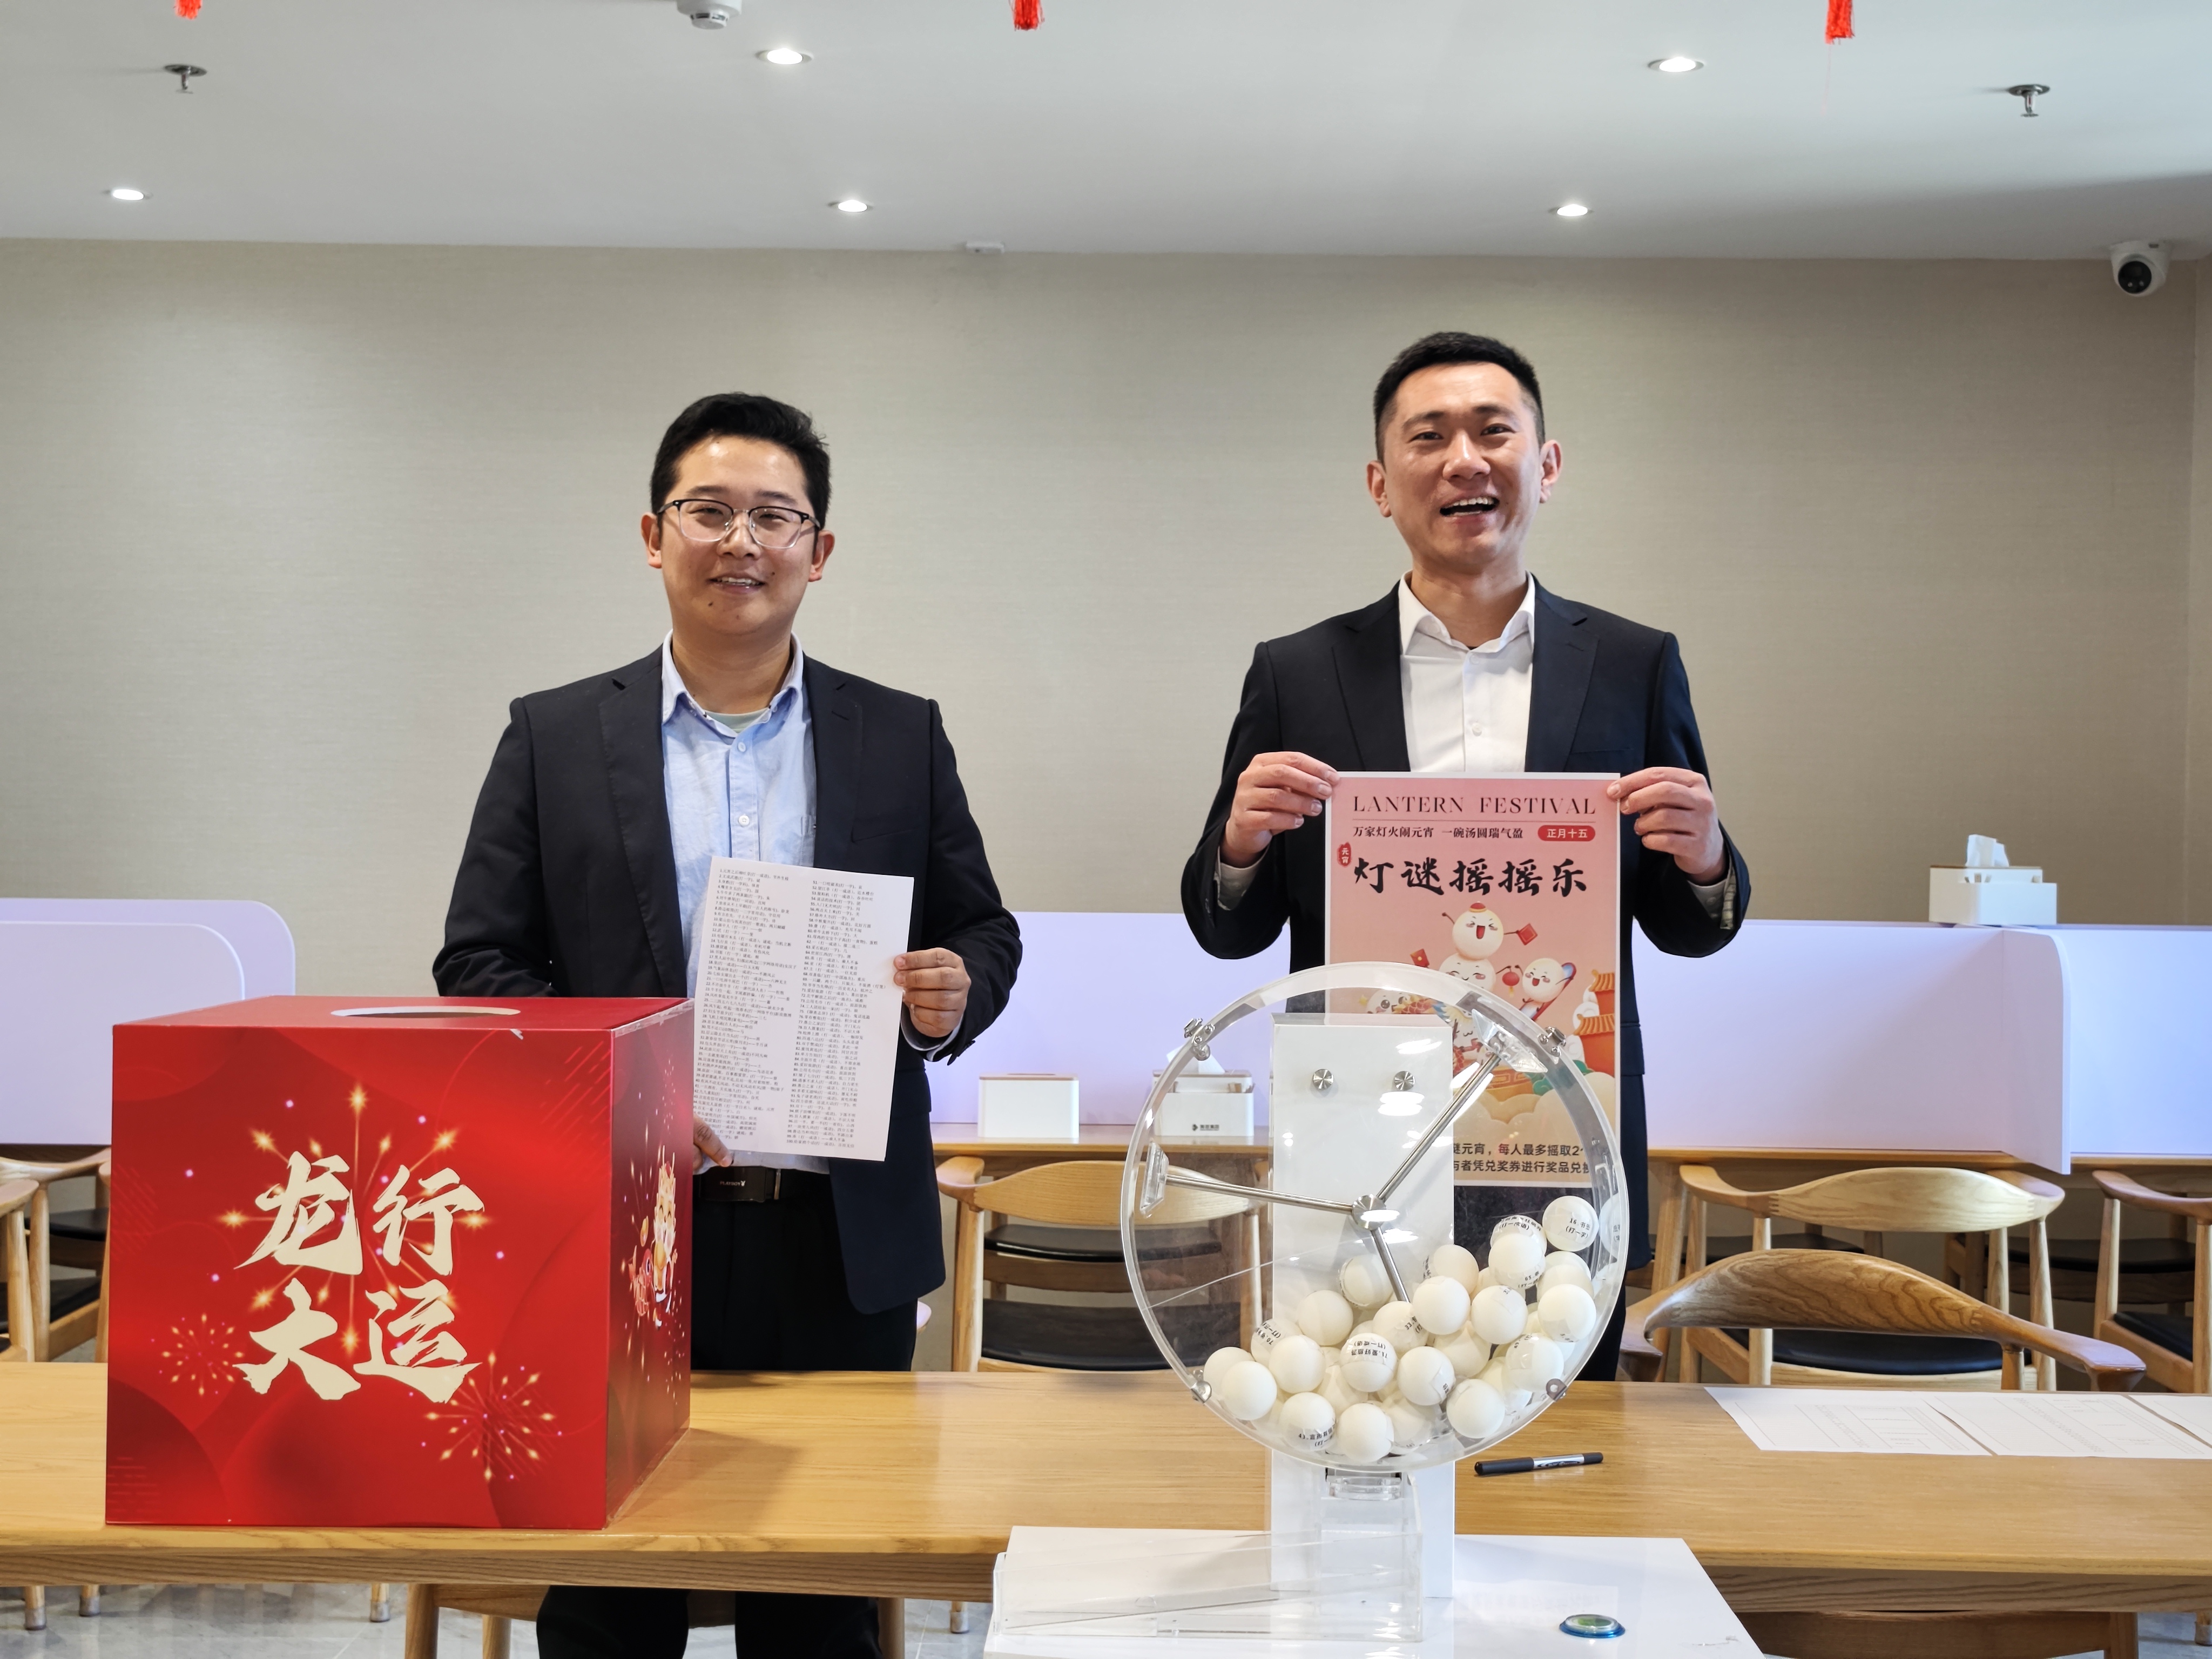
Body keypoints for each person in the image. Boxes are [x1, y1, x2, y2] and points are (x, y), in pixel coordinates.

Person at [436, 392, 1021, 1658]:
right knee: (609, 1601)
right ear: (655, 535)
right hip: (624, 1226)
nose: (741, 541)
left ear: (820, 548)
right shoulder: (552, 736)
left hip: (839, 1237)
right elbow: (480, 967)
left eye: (775, 516)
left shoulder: (898, 733)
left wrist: (953, 992)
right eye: (709, 511)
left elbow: (983, 929)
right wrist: (631, 1098)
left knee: (819, 1606)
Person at [1179, 332, 1749, 1379]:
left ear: (1546, 464)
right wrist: (1238, 845)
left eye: (1494, 432)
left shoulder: (1633, 663)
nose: (1464, 461)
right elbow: (1228, 928)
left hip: (1558, 1122)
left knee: (1559, 1423)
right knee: (1359, 1403)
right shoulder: (1298, 672)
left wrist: (1706, 858)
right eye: (1428, 437)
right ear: (1379, 483)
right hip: (1361, 1121)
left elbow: (1687, 926)